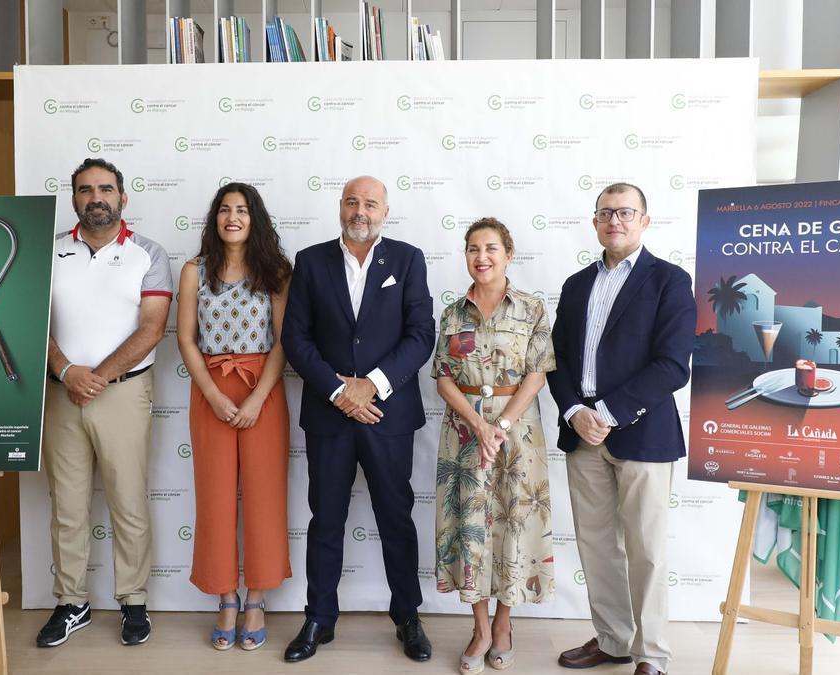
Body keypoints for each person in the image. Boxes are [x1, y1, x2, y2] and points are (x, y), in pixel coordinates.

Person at [281, 175, 436, 664]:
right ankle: (318, 618)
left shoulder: (408, 259)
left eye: (370, 203)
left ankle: (408, 617)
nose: (360, 211)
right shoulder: (310, 261)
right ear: (340, 207)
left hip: (387, 413)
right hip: (330, 415)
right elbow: (296, 338)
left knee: (396, 517)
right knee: (325, 519)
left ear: (385, 211)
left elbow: (421, 334)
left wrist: (372, 384)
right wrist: (338, 389)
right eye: (352, 202)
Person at [547, 183, 696, 675]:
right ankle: (613, 640)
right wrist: (574, 411)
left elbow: (673, 365)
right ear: (595, 223)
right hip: (581, 431)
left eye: (626, 212)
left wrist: (606, 412)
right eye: (606, 212)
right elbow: (557, 360)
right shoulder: (574, 285)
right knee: (595, 544)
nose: (616, 220)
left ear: (644, 221)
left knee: (646, 549)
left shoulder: (669, 281)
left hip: (641, 432)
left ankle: (651, 655)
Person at [37, 157, 172, 648]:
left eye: (106, 189)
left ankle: (133, 602)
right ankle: (71, 603)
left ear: (123, 197)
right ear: (74, 198)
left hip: (123, 393)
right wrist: (68, 371)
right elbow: (33, 323)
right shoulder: (48, 252)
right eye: (86, 189)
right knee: (67, 507)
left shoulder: (148, 253)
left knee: (128, 502)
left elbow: (153, 327)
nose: (97, 197)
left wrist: (96, 376)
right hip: (60, 392)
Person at [432, 218, 556, 674]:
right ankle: (480, 628)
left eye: (490, 248)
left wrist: (499, 423)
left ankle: (504, 625)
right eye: (472, 249)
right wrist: (479, 427)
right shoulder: (451, 313)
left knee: (513, 523)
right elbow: (443, 378)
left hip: (518, 435)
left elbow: (537, 374)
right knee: (470, 526)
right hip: (464, 435)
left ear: (508, 253)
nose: (481, 257)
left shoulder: (531, 308)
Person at [176, 182, 292, 651]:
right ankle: (226, 596)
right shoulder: (193, 271)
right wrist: (213, 394)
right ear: (215, 218)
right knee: (216, 496)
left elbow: (284, 341)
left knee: (264, 496)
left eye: (242, 210)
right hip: (211, 389)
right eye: (224, 210)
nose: (232, 217)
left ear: (254, 218)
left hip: (262, 388)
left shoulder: (276, 271)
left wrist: (255, 399)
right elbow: (185, 338)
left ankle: (256, 599)